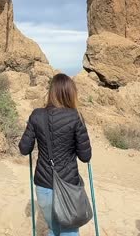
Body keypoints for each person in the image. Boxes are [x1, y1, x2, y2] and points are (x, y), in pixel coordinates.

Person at [19, 73, 92, 236]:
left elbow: (24, 149)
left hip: (43, 186)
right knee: (69, 231)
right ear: (70, 93)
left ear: (51, 92)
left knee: (53, 229)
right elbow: (85, 157)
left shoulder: (37, 115)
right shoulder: (76, 117)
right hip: (68, 187)